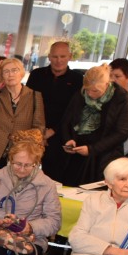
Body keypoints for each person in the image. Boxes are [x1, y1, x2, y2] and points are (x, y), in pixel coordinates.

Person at [56, 64, 128, 187]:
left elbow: (122, 133)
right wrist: (68, 139)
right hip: (77, 155)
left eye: (96, 91)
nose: (90, 94)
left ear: (107, 84)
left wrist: (92, 149)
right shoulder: (80, 94)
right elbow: (66, 121)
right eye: (87, 89)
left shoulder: (122, 99)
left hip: (104, 157)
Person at [0, 57, 45, 170]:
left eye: (14, 70)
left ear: (21, 73)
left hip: (22, 154)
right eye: (6, 71)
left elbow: (39, 127)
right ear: (2, 76)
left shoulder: (34, 96)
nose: (10, 74)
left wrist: (25, 140)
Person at [28, 41, 85, 175]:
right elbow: (28, 104)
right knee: (25, 173)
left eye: (63, 56)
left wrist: (53, 131)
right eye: (55, 56)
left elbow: (76, 112)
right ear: (49, 57)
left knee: (54, 177)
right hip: (34, 133)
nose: (58, 60)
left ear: (70, 56)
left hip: (61, 136)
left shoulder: (78, 79)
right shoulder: (36, 75)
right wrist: (39, 132)